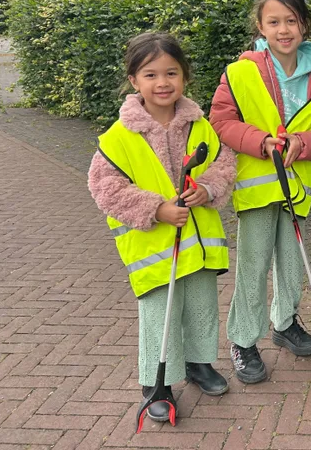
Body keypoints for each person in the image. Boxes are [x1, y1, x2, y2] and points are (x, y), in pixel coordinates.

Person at [88, 32, 236, 421]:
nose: (162, 82)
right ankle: (157, 382)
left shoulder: (201, 126)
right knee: (160, 315)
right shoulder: (119, 137)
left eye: (171, 72)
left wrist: (207, 189)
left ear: (185, 76)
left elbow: (224, 164)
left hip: (200, 244)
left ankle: (199, 362)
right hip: (153, 249)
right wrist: (155, 209)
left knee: (202, 307)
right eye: (150, 74)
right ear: (134, 80)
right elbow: (105, 188)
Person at [210, 0, 311, 384]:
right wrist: (260, 142)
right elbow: (221, 121)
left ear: (304, 24)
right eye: (274, 22)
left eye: (292, 20)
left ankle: (284, 322)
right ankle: (243, 340)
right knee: (254, 264)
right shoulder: (241, 71)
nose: (284, 29)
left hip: (296, 188)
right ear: (260, 27)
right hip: (259, 188)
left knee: (290, 260)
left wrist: (303, 143)